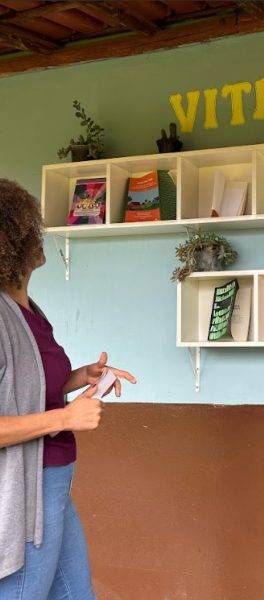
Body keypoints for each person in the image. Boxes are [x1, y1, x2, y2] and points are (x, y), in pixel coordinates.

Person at [0, 178, 136, 599]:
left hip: (53, 485)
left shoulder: (27, 311)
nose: (40, 236)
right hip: (25, 494)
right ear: (14, 241)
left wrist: (80, 377)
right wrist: (66, 416)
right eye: (32, 229)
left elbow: (27, 383)